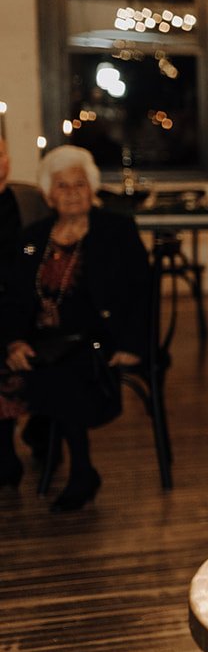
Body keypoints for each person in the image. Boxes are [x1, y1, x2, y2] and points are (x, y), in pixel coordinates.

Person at [2, 146, 150, 509]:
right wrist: (14, 341)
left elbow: (143, 293)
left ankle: (82, 470)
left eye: (79, 184)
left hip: (99, 338)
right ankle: (7, 458)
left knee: (62, 370)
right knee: (10, 362)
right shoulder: (34, 238)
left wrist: (133, 342)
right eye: (62, 186)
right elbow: (16, 299)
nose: (71, 193)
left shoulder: (115, 230)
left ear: (92, 188)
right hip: (44, 339)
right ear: (48, 195)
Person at [0, 137, 50, 481]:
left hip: (26, 306)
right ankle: (4, 445)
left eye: (0, 152)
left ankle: (43, 427)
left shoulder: (31, 201)